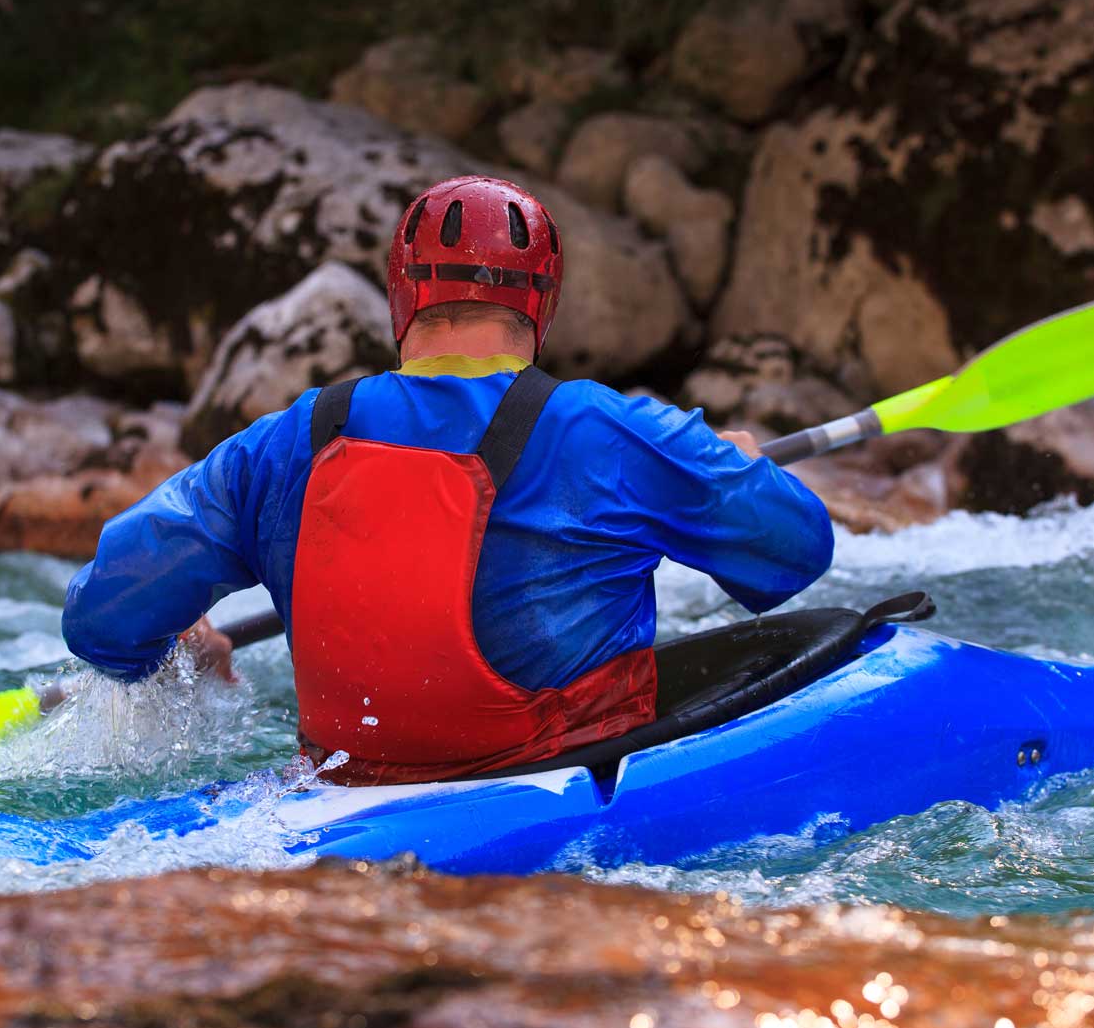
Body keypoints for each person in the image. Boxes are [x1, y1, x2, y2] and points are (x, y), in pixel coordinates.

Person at [62, 175, 833, 783]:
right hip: (552, 802)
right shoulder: (614, 432)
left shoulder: (284, 442)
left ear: (402, 299)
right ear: (543, 305)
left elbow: (102, 617)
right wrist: (733, 468)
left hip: (337, 805)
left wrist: (167, 645)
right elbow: (796, 549)